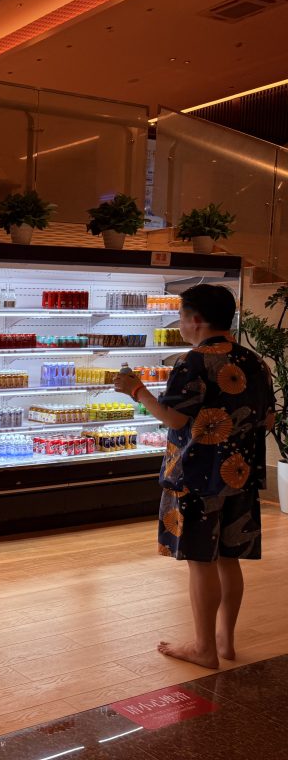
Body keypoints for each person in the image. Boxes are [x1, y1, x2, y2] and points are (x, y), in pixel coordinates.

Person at [114, 283, 274, 670]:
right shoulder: (255, 361)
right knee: (229, 558)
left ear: (196, 319)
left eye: (181, 317)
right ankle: (225, 641)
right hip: (239, 473)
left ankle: (203, 648)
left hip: (197, 475)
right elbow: (268, 419)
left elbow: (173, 418)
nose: (181, 325)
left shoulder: (193, 362)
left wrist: (136, 390)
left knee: (201, 560)